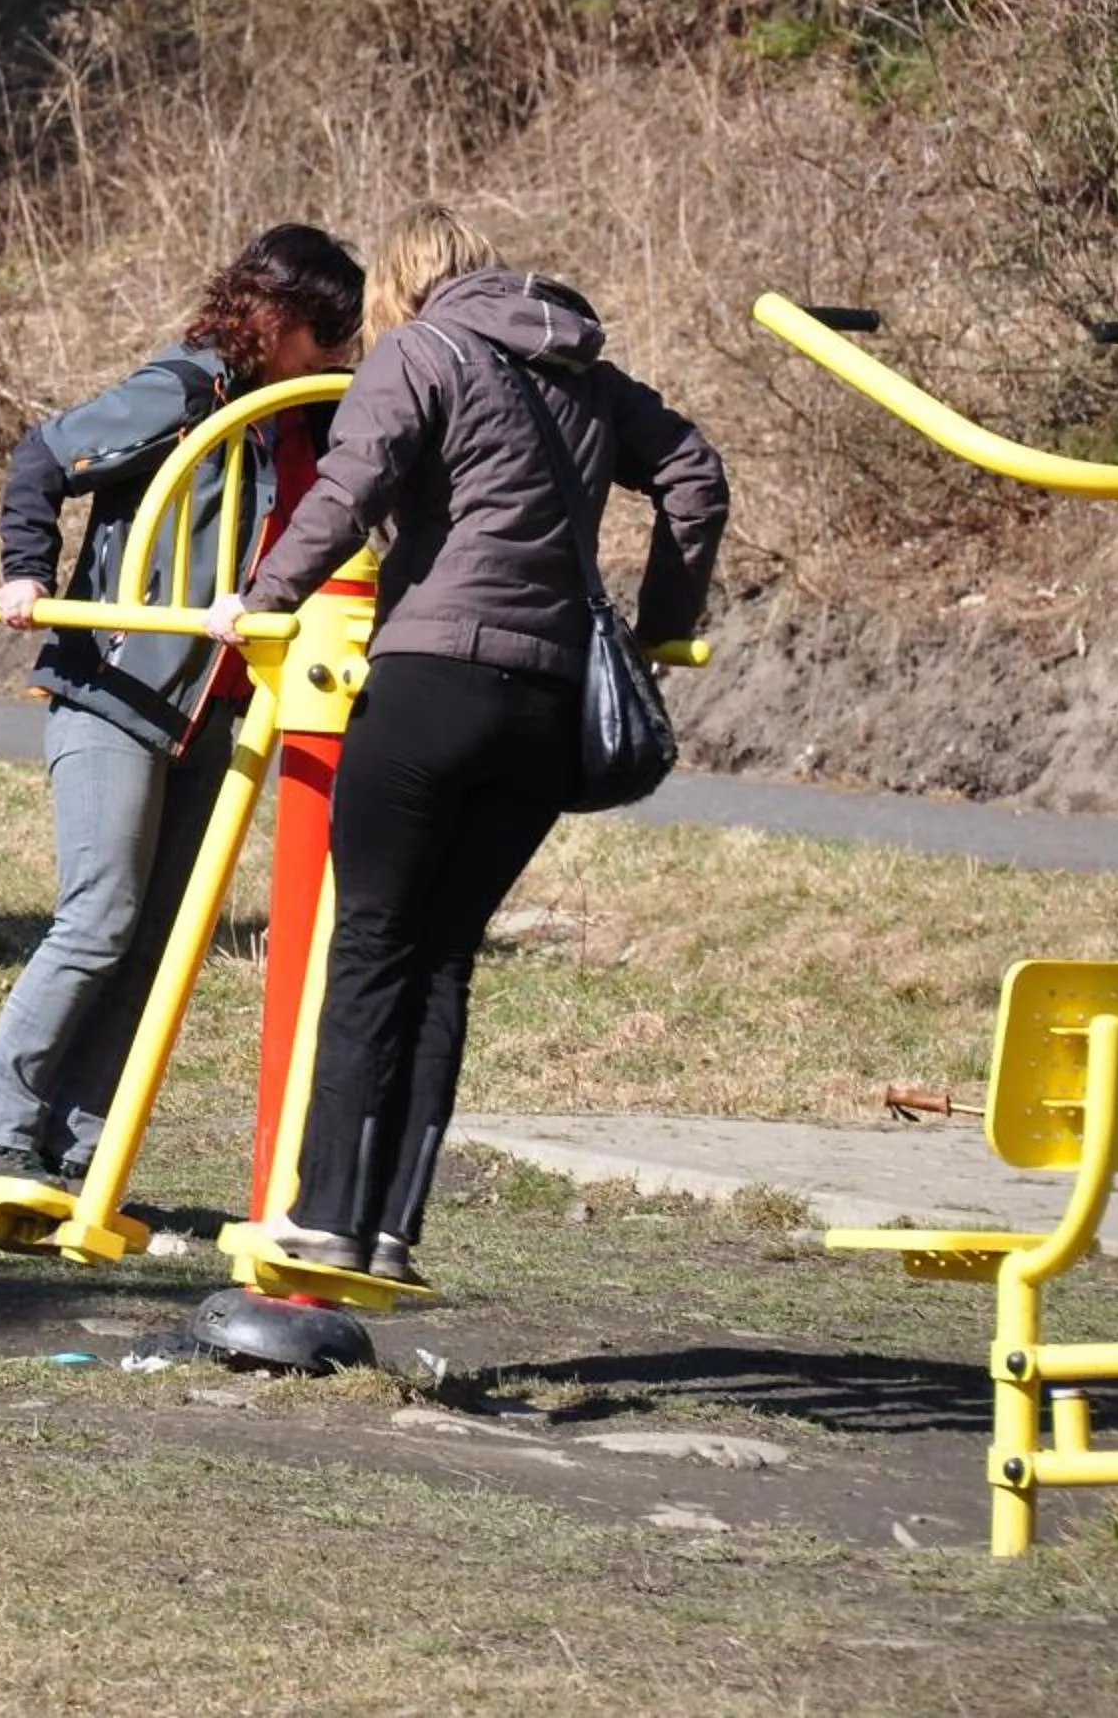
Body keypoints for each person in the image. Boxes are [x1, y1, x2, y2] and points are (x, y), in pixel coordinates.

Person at [208, 205, 729, 1283]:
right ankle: (393, 1232)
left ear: (402, 287)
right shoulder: (586, 371)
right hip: (545, 712)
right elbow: (694, 472)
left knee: (374, 948)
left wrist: (262, 597)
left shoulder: (421, 351)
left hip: (433, 683)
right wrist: (662, 626)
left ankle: (325, 1219)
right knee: (444, 959)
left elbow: (349, 490)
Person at [0, 224, 366, 1195]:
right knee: (101, 916)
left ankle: (79, 1148)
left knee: (160, 936)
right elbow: (42, 458)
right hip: (120, 690)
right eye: (328, 333)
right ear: (278, 319)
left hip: (223, 711)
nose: (341, 355)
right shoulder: (189, 391)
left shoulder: (302, 417)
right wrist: (26, 572)